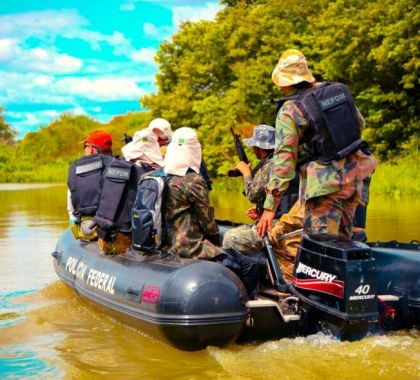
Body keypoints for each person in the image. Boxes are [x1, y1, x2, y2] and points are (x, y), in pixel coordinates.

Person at [257, 49, 377, 243]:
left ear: (284, 83)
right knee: (342, 242)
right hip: (355, 177)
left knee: (321, 247)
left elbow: (283, 163)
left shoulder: (290, 109)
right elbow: (359, 124)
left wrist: (270, 208)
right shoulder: (337, 91)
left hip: (325, 186)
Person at [162, 127, 258, 298]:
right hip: (192, 248)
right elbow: (207, 221)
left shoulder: (160, 177)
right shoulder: (193, 181)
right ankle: (245, 307)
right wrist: (216, 243)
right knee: (249, 266)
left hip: (168, 246)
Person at [222, 124, 298, 254]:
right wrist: (261, 211)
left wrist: (246, 173)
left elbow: (252, 195)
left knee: (230, 238)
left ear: (258, 147)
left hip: (279, 225)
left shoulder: (271, 165)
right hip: (286, 220)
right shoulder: (281, 162)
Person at [67, 130, 113, 239]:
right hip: (116, 229)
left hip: (89, 231)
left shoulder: (76, 169)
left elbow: (71, 208)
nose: (85, 150)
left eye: (85, 146)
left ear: (92, 148)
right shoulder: (122, 166)